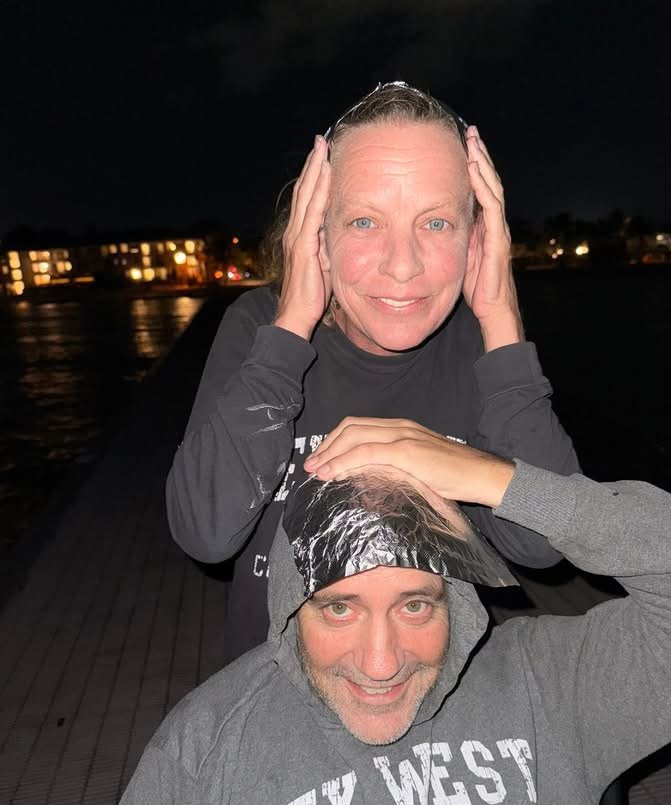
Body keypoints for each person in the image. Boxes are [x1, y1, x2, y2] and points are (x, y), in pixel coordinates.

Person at [63, 436, 671, 805]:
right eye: (339, 609)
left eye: (415, 605)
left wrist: (500, 482)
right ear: (293, 608)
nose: (381, 664)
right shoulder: (202, 753)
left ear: (457, 601)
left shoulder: (550, 687)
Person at [166, 81, 581, 658]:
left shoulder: (478, 345)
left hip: (438, 699)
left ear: (476, 237)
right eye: (364, 221)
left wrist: (503, 318)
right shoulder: (261, 328)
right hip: (275, 698)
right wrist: (289, 331)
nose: (404, 265)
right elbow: (205, 533)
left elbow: (543, 547)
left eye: (436, 223)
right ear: (317, 232)